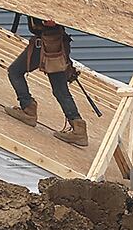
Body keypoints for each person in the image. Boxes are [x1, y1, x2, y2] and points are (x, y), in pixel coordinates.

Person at [5, 16, 87, 146]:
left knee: (15, 72)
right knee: (60, 90)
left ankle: (28, 109)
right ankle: (78, 127)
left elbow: (51, 21)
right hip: (55, 44)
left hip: (46, 45)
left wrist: (48, 21)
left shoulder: (45, 2)